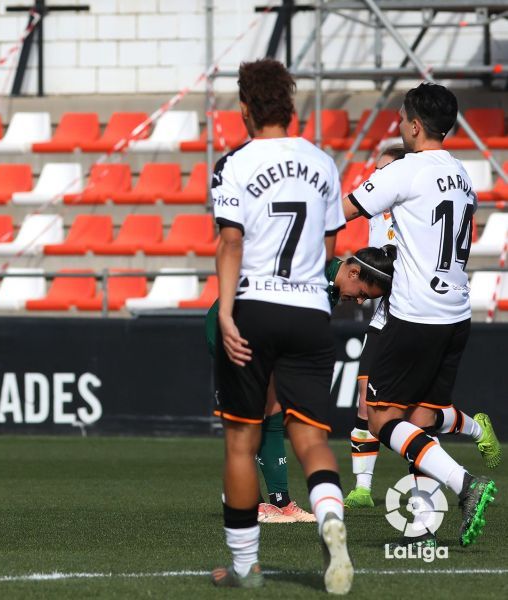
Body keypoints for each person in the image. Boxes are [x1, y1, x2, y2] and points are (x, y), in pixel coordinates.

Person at [210, 58, 352, 594]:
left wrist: (225, 312)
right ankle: (329, 518)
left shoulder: (235, 164)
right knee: (312, 439)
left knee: (241, 442)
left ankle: (245, 566)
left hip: (255, 307)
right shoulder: (322, 161)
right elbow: (330, 245)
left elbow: (231, 242)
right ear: (290, 108)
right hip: (312, 310)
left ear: (246, 108)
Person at [342, 82, 497, 547]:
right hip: (456, 310)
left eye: (402, 119)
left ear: (413, 125)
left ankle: (467, 485)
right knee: (421, 420)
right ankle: (426, 525)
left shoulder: (407, 170)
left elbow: (346, 208)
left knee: (379, 418)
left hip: (416, 315)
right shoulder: (462, 173)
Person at [206, 245, 397, 524]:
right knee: (250, 414)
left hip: (261, 336)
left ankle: (280, 502)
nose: (358, 302)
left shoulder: (331, 286)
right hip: (235, 329)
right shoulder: (312, 268)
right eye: (362, 295)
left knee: (272, 408)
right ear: (354, 272)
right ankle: (242, 498)